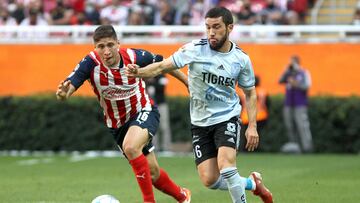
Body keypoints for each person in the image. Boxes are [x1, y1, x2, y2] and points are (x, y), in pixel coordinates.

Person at [126, 7, 273, 203]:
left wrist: (252, 126)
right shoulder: (194, 49)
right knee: (209, 180)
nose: (211, 32)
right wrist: (139, 72)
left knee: (227, 167)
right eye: (208, 27)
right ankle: (253, 184)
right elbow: (163, 65)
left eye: (217, 27)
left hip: (227, 117)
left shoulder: (241, 59)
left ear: (230, 27)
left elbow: (250, 92)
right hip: (200, 122)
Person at [56, 25, 191, 203]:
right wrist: (63, 94)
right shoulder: (89, 63)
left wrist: (187, 82)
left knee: (131, 147)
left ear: (118, 44)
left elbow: (165, 64)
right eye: (101, 46)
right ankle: (182, 196)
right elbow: (68, 88)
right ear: (95, 47)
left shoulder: (135, 56)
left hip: (144, 110)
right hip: (118, 125)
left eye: (110, 45)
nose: (106, 51)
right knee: (153, 173)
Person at [279, 55, 313, 153]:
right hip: (288, 103)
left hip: (300, 103)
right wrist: (286, 71)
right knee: (289, 125)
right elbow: (280, 81)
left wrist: (296, 84)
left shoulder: (303, 73)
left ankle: (307, 148)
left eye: (292, 63)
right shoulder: (288, 74)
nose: (291, 65)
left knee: (302, 125)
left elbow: (307, 86)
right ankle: (294, 147)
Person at [239, 75, 270, 151]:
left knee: (246, 135)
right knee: (259, 135)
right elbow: (268, 104)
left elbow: (240, 104)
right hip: (261, 116)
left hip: (246, 117)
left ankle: (246, 149)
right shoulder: (263, 92)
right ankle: (258, 149)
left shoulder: (244, 92)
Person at [145, 74, 173, 152]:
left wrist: (152, 82)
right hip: (150, 105)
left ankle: (166, 148)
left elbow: (161, 87)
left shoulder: (161, 76)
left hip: (161, 104)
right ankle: (154, 147)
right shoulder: (147, 74)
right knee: (153, 127)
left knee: (164, 126)